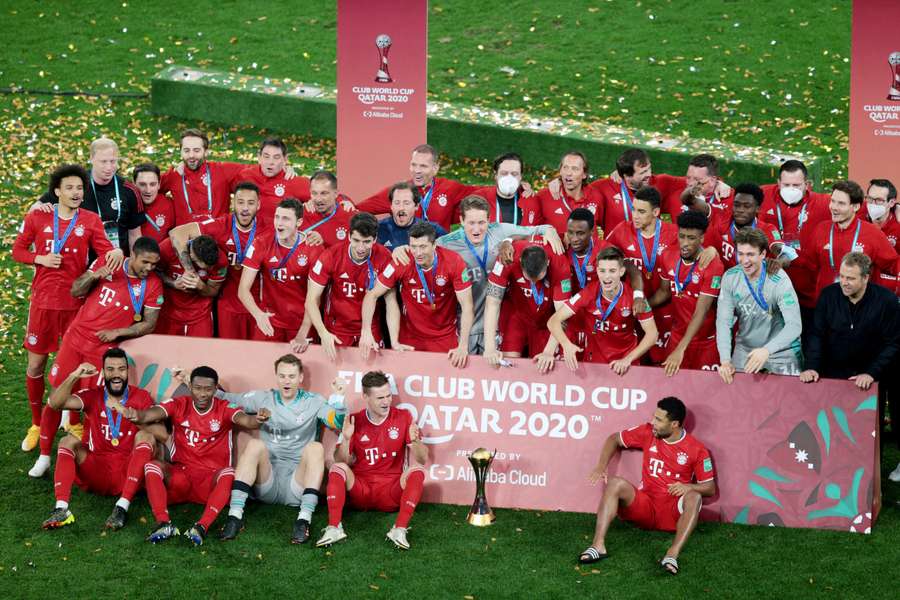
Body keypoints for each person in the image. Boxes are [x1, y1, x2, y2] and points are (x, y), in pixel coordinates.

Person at [30, 237, 164, 478]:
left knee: (95, 403)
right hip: (75, 339)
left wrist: (118, 332)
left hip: (103, 351)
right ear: (132, 255)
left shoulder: (153, 284)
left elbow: (149, 324)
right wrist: (95, 275)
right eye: (145, 262)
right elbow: (75, 289)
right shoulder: (109, 263)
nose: (149, 268)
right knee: (56, 394)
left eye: (154, 265)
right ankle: (44, 455)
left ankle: (92, 454)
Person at [12, 165, 122, 452]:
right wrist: (41, 259)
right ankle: (37, 423)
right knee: (36, 364)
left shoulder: (90, 219)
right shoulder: (38, 216)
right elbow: (17, 251)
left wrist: (117, 251)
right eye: (70, 188)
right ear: (57, 191)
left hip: (76, 305)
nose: (76, 193)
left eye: (79, 188)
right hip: (43, 305)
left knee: (74, 367)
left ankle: (73, 420)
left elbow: (104, 251)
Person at [122, 366, 270, 545]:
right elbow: (149, 415)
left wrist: (258, 420)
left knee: (229, 473)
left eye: (208, 389)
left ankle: (202, 526)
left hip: (210, 481)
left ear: (215, 389)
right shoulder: (178, 404)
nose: (202, 394)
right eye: (198, 388)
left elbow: (247, 420)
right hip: (181, 477)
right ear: (190, 387)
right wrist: (136, 415)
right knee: (151, 466)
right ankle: (163, 523)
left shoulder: (225, 408)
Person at [212, 355, 347, 543]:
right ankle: (234, 517)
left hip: (298, 484)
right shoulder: (264, 398)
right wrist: (193, 382)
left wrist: (339, 397)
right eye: (282, 376)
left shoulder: (313, 401)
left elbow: (337, 422)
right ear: (276, 376)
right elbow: (227, 398)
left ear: (300, 378)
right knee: (254, 444)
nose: (286, 381)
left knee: (316, 448)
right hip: (267, 481)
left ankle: (303, 520)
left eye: (292, 376)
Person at [578, 397, 716, 576]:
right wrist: (601, 466)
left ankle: (671, 555)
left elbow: (710, 488)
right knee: (614, 483)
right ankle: (598, 546)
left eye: (659, 420)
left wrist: (689, 487)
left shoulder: (697, 449)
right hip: (646, 507)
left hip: (673, 512)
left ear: (674, 424)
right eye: (654, 417)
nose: (653, 422)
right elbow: (614, 439)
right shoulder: (648, 432)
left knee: (694, 496)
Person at [434, 195, 565, 354]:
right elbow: (420, 250)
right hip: (466, 325)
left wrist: (549, 231)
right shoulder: (445, 243)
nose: (477, 229)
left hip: (496, 324)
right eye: (471, 223)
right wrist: (402, 250)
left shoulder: (501, 230)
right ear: (461, 220)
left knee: (495, 374)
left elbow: (540, 229)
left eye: (482, 222)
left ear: (489, 220)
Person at [40, 350, 155, 529]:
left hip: (127, 470)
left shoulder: (142, 397)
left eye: (121, 369)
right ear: (103, 372)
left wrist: (126, 413)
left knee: (146, 436)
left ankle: (122, 507)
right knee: (66, 441)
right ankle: (61, 509)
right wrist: (74, 375)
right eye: (110, 369)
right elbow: (55, 403)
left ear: (127, 372)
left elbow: (160, 433)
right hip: (96, 470)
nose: (116, 374)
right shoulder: (93, 394)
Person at [316, 371, 427, 550]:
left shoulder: (404, 417)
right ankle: (334, 527)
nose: (386, 401)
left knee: (418, 470)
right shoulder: (354, 420)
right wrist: (345, 439)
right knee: (338, 467)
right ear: (365, 397)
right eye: (380, 397)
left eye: (389, 396)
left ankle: (399, 529)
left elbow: (422, 459)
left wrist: (416, 441)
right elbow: (340, 459)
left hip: (391, 493)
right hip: (361, 491)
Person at [360, 221, 474, 366]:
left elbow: (467, 306)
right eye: (413, 246)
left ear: (434, 245)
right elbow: (372, 295)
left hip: (444, 336)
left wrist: (463, 346)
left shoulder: (454, 262)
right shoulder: (402, 260)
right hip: (409, 337)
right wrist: (367, 331)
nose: (418, 253)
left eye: (423, 247)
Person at [168, 182, 265, 339]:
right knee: (229, 355)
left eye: (251, 203)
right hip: (227, 306)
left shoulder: (268, 229)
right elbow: (177, 233)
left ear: (259, 205)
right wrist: (190, 271)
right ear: (233, 203)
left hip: (258, 306)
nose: (245, 208)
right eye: (240, 202)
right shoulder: (220, 225)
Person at [545, 246, 658, 374]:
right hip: (594, 365)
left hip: (625, 365)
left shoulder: (635, 298)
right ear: (597, 271)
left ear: (621, 272)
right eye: (602, 271)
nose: (606, 277)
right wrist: (566, 345)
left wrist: (627, 360)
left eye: (612, 271)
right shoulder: (588, 293)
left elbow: (652, 335)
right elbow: (553, 321)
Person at [604, 186, 681, 363]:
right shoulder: (622, 229)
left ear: (656, 212)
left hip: (664, 310)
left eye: (641, 211)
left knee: (660, 366)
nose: (635, 216)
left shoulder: (674, 234)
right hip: (632, 312)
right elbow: (602, 254)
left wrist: (711, 251)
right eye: (633, 209)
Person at [800, 252, 900, 389]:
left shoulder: (887, 301)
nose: (844, 283)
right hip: (832, 376)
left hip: (871, 378)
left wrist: (871, 373)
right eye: (841, 276)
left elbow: (894, 343)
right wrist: (811, 366)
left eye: (850, 278)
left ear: (865, 278)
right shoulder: (828, 295)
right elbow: (816, 334)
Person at [302, 213, 394, 359]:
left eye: (367, 242)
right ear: (349, 236)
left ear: (375, 239)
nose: (361, 247)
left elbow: (391, 301)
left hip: (370, 328)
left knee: (373, 376)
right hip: (337, 329)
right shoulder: (331, 255)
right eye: (356, 240)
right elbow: (311, 300)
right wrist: (323, 332)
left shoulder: (384, 257)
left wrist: (393, 341)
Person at [716, 229, 802, 383]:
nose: (744, 260)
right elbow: (723, 321)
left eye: (750, 254)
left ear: (763, 254)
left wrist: (767, 350)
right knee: (739, 402)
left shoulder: (779, 279)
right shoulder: (730, 278)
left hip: (782, 352)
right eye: (740, 253)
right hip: (745, 350)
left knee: (787, 404)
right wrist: (725, 360)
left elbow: (794, 326)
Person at [757, 160, 832, 337]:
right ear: (778, 183)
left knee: (806, 338)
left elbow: (854, 205)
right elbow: (734, 200)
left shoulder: (824, 203)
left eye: (797, 185)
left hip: (807, 289)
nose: (791, 189)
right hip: (770, 286)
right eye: (786, 184)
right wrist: (720, 184)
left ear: (807, 184)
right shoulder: (762, 195)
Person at [36, 138, 144, 254]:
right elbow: (37, 207)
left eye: (112, 161)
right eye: (103, 162)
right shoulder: (75, 184)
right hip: (80, 263)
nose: (109, 167)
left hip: (116, 260)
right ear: (91, 159)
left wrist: (132, 268)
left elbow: (135, 234)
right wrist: (42, 208)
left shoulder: (129, 190)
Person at [795, 180, 897, 302]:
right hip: (827, 305)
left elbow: (893, 265)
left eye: (841, 203)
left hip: (861, 307)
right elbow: (808, 263)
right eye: (832, 201)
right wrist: (785, 257)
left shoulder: (872, 233)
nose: (834, 207)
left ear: (855, 206)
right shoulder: (821, 229)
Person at [649, 210, 725, 375]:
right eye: (682, 236)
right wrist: (643, 306)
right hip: (677, 336)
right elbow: (664, 292)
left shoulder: (713, 265)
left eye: (691, 238)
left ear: (702, 238)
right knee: (670, 388)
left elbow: (702, 310)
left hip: (706, 342)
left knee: (707, 394)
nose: (685, 243)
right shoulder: (668, 256)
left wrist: (680, 349)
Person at [238, 198, 323, 342]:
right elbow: (243, 289)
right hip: (269, 320)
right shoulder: (262, 242)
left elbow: (315, 297)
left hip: (303, 322)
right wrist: (258, 315)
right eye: (277, 217)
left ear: (299, 222)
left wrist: (303, 331)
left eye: (286, 219)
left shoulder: (314, 248)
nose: (279, 223)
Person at [483, 240, 572, 364]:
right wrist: (489, 347)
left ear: (547, 263)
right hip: (518, 315)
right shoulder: (508, 256)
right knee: (508, 362)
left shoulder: (560, 265)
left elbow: (562, 315)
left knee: (543, 366)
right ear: (520, 262)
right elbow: (492, 302)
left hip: (548, 320)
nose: (534, 283)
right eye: (529, 278)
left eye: (539, 278)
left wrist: (548, 351)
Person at [355, 144, 479, 231]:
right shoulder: (399, 192)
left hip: (439, 257)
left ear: (435, 169)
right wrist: (345, 203)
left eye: (423, 166)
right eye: (414, 165)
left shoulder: (449, 188)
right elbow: (359, 208)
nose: (417, 171)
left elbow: (483, 193)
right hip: (407, 255)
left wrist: (499, 186)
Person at [159, 128, 246, 224]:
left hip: (217, 234)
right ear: (181, 152)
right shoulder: (174, 175)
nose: (191, 155)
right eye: (186, 150)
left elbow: (254, 172)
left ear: (206, 152)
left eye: (196, 150)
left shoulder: (221, 170)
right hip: (185, 236)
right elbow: (147, 189)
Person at [703, 183, 787, 270]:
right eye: (736, 205)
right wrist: (711, 249)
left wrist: (779, 261)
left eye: (747, 206)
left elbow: (784, 254)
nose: (740, 210)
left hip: (756, 281)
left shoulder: (767, 229)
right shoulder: (721, 224)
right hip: (726, 280)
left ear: (757, 209)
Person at [155, 235, 226, 336]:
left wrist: (202, 286)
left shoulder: (221, 260)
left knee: (200, 352)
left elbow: (213, 291)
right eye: (205, 267)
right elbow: (154, 272)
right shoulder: (167, 247)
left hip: (200, 315)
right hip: (169, 312)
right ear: (192, 256)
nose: (210, 269)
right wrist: (173, 284)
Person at [237, 137, 310, 228]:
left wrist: (312, 203)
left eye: (276, 157)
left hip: (276, 238)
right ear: (259, 157)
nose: (270, 162)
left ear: (285, 159)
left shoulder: (294, 181)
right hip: (245, 234)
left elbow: (327, 194)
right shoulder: (245, 175)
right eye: (266, 156)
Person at [531, 151, 605, 236]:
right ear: (560, 171)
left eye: (575, 169)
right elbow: (530, 233)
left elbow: (605, 224)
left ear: (584, 174)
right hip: (556, 249)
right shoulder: (543, 196)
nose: (568, 173)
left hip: (589, 249)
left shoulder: (596, 196)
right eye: (565, 167)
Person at [470, 152, 540, 226]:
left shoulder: (531, 201)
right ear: (496, 175)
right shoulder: (479, 199)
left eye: (514, 174)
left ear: (520, 177)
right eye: (504, 173)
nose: (509, 178)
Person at [376, 181, 447, 248]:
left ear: (416, 206)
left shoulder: (434, 230)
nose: (401, 208)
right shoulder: (377, 229)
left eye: (406, 203)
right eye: (397, 203)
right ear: (391, 206)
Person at [298, 170, 357, 247]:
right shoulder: (300, 214)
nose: (318, 199)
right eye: (314, 193)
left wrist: (324, 245)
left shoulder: (350, 217)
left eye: (324, 193)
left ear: (335, 194)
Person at [863, 179, 900, 291]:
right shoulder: (858, 215)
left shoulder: (898, 224)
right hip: (859, 289)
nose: (872, 204)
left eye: (879, 200)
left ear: (892, 203)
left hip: (888, 292)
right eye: (869, 198)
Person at [133, 163, 175, 244]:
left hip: (164, 254)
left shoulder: (169, 204)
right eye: (142, 184)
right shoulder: (126, 205)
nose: (148, 190)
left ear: (159, 185)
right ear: (134, 184)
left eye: (152, 184)